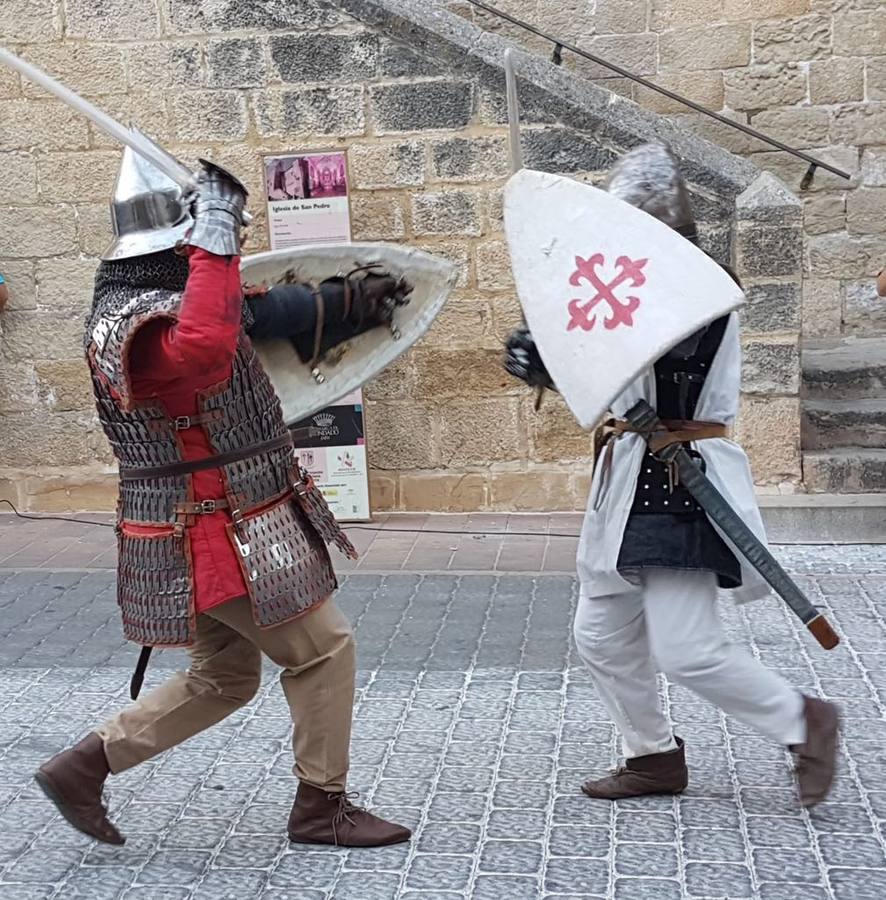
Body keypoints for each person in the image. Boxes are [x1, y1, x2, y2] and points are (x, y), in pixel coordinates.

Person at [34, 147, 412, 848]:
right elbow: (205, 349)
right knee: (325, 649)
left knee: (223, 677)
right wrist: (213, 237)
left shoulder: (167, 300)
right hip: (212, 528)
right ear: (181, 243)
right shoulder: (128, 326)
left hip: (211, 521)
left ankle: (83, 767)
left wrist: (339, 302)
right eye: (199, 243)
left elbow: (254, 315)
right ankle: (321, 806)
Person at [504, 142, 839, 807]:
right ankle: (652, 755)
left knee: (687, 649)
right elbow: (608, 361)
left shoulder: (700, 294)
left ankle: (805, 721)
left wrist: (563, 351)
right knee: (599, 634)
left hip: (680, 476)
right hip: (631, 472)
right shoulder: (636, 286)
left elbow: (637, 345)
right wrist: (544, 355)